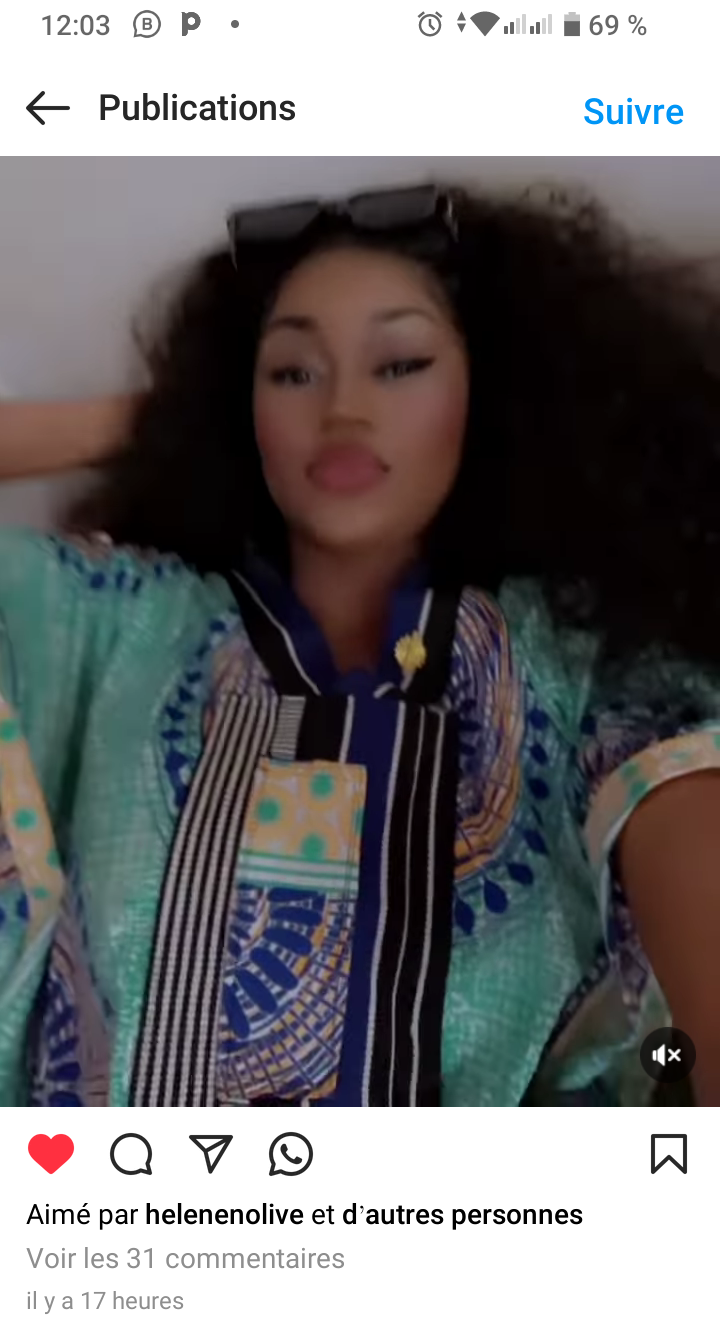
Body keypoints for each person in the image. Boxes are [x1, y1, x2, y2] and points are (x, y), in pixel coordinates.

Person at [1, 181, 720, 1109]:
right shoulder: (110, 625)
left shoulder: (591, 667)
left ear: (492, 394)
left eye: (401, 364)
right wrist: (176, 414)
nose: (343, 409)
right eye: (292, 373)